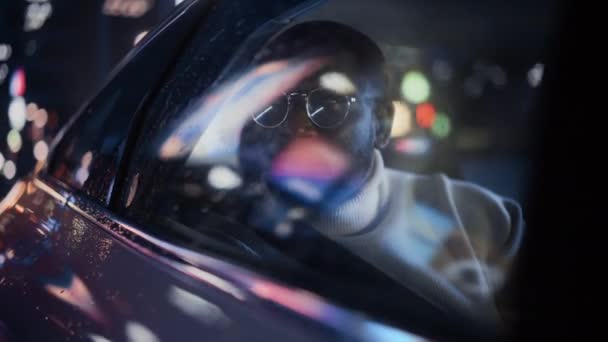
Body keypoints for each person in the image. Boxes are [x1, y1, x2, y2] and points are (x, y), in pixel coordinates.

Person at [236, 21, 524, 326]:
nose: (294, 126)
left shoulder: (482, 218)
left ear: (382, 124)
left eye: (330, 103)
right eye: (273, 105)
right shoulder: (226, 222)